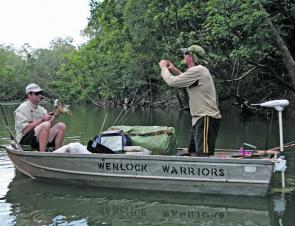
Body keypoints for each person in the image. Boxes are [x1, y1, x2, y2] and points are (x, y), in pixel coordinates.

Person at [159, 45, 221, 157]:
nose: (184, 55)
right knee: (192, 153)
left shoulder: (198, 71)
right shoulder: (198, 71)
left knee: (203, 155)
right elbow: (185, 79)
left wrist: (163, 68)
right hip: (199, 119)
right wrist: (174, 70)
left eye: (185, 53)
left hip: (206, 118)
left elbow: (173, 82)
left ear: (191, 57)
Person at [14, 83, 66, 152]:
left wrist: (55, 115)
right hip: (24, 140)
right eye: (37, 93)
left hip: (39, 138)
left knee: (61, 126)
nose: (40, 95)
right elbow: (24, 130)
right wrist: (42, 119)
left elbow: (49, 125)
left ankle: (58, 153)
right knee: (45, 124)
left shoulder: (42, 109)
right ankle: (43, 154)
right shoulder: (22, 108)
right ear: (29, 95)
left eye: (40, 93)